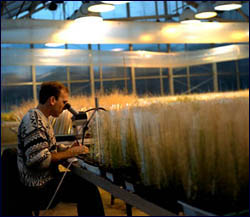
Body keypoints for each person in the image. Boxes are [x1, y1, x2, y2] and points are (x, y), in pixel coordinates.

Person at [17, 81, 105, 216]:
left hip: (44, 180)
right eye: (64, 102)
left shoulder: (40, 117)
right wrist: (70, 152)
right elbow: (39, 160)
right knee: (88, 188)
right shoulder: (34, 122)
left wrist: (66, 149)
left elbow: (47, 147)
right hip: (39, 187)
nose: (65, 107)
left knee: (85, 184)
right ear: (52, 100)